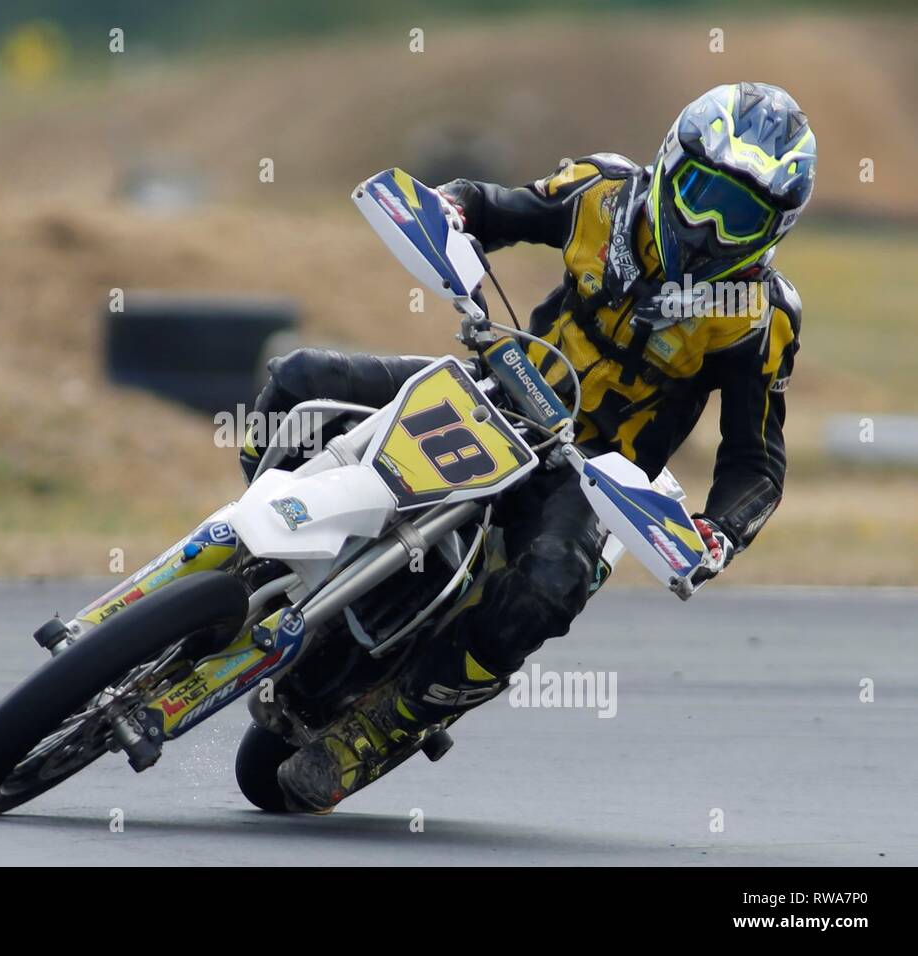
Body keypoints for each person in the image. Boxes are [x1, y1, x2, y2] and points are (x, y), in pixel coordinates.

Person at [240, 82, 816, 812]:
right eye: (702, 194)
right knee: (302, 380)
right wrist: (449, 211)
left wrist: (719, 531)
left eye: (740, 217)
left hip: (594, 474)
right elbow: (490, 207)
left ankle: (393, 722)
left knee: (549, 587)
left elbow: (755, 458)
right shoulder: (601, 191)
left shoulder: (759, 317)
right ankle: (254, 550)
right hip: (495, 392)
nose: (706, 227)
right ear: (672, 162)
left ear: (774, 231)